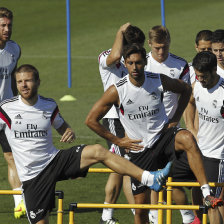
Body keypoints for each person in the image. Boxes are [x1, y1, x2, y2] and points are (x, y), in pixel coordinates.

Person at [0, 64, 173, 224]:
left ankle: (149, 178)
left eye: (28, 80)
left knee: (97, 150)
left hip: (53, 161)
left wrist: (68, 131)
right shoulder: (6, 108)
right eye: (19, 82)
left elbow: (61, 125)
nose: (23, 85)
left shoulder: (49, 105)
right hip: (33, 177)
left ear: (38, 81)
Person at [85, 44, 223, 224]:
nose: (135, 67)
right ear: (125, 64)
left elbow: (186, 89)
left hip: (162, 140)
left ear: (145, 62)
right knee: (141, 210)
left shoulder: (158, 80)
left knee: (187, 138)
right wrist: (118, 141)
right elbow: (90, 120)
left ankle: (205, 193)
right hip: (139, 150)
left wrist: (174, 119)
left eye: (139, 63)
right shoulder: (117, 90)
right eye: (131, 63)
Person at [145, 25, 199, 224]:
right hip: (146, 131)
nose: (161, 52)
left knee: (174, 177)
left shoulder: (180, 65)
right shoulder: (141, 64)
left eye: (165, 47)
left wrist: (176, 119)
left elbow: (186, 95)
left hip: (169, 131)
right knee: (151, 177)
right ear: (149, 44)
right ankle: (154, 217)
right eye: (157, 47)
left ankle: (188, 217)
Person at [98, 23, 145, 224]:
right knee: (126, 167)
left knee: (119, 168)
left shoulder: (133, 60)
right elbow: (116, 57)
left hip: (132, 118)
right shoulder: (106, 57)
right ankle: (139, 215)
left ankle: (106, 216)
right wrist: (119, 31)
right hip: (114, 119)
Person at [188, 51, 224, 224]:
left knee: (212, 203)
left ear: (214, 71)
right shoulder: (196, 86)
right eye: (197, 75)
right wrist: (190, 127)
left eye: (204, 76)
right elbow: (189, 100)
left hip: (216, 157)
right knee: (175, 181)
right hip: (197, 151)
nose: (200, 79)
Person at [0, 7, 25, 218]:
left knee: (11, 157)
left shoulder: (14, 49)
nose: (7, 29)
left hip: (5, 115)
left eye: (9, 25)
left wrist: (18, 105)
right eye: (2, 26)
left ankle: (19, 204)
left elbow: (14, 81)